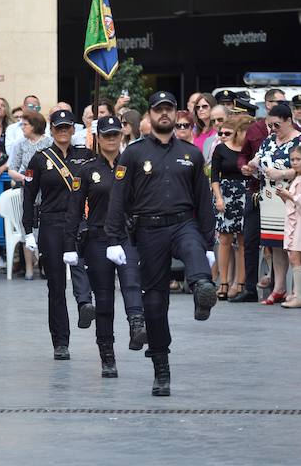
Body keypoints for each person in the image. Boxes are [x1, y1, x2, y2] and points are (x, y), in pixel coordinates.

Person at [105, 91, 218, 397]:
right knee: (154, 304)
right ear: (150, 115)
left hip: (183, 222)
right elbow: (118, 197)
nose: (164, 115)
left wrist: (209, 243)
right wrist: (114, 238)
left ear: (177, 115)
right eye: (159, 110)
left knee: (194, 248)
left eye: (169, 109)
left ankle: (201, 290)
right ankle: (161, 370)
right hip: (149, 230)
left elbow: (204, 201)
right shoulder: (133, 154)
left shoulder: (191, 154)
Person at [64, 116, 148, 378]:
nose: (111, 139)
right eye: (106, 135)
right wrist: (70, 245)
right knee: (104, 299)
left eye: (115, 134)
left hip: (126, 235)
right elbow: (74, 211)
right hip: (98, 237)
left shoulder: (133, 166)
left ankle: (137, 327)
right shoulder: (88, 170)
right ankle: (107, 356)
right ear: (98, 138)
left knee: (132, 282)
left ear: (122, 135)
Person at [23, 110, 95, 360]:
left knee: (81, 267)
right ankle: (61, 342)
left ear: (73, 130)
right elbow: (29, 196)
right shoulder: (40, 159)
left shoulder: (86, 156)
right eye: (59, 127)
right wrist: (27, 229)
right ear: (51, 130)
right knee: (55, 285)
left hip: (79, 223)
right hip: (52, 223)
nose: (63, 131)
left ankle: (85, 304)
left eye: (67, 127)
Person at [245, 104, 301, 305]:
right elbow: (258, 159)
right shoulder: (270, 140)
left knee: (293, 244)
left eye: (277, 125)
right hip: (270, 197)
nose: (273, 129)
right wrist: (251, 167)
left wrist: (282, 173)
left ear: (289, 120)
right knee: (275, 244)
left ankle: (297, 292)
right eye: (270, 125)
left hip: (293, 197)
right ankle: (279, 287)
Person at [232, 88, 284, 303]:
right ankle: (250, 288)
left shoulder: (294, 131)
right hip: (255, 191)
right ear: (267, 104)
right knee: (250, 240)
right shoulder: (254, 129)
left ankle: (278, 286)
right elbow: (243, 155)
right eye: (277, 101)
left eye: (284, 102)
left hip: (280, 194)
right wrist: (244, 166)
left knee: (278, 243)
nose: (281, 104)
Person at [7, 110, 53, 280]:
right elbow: (11, 169)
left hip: (47, 192)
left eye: (25, 124)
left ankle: (44, 265)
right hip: (27, 190)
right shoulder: (20, 144)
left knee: (45, 227)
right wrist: (24, 178)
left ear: (35, 126)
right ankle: (28, 267)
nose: (23, 128)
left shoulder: (49, 142)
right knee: (26, 226)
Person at [211, 115, 252, 300]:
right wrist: (218, 198)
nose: (248, 136)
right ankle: (224, 281)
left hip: (246, 193)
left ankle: (240, 282)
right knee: (224, 239)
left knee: (244, 240)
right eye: (245, 132)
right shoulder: (221, 148)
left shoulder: (249, 151)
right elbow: (214, 177)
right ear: (238, 131)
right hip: (226, 195)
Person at [275, 145, 301, 308]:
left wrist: (290, 195)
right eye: (292, 160)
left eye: (298, 159)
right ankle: (300, 294)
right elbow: (293, 203)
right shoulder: (297, 177)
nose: (294, 163)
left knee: (296, 257)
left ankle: (300, 297)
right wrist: (284, 196)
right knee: (298, 258)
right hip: (296, 220)